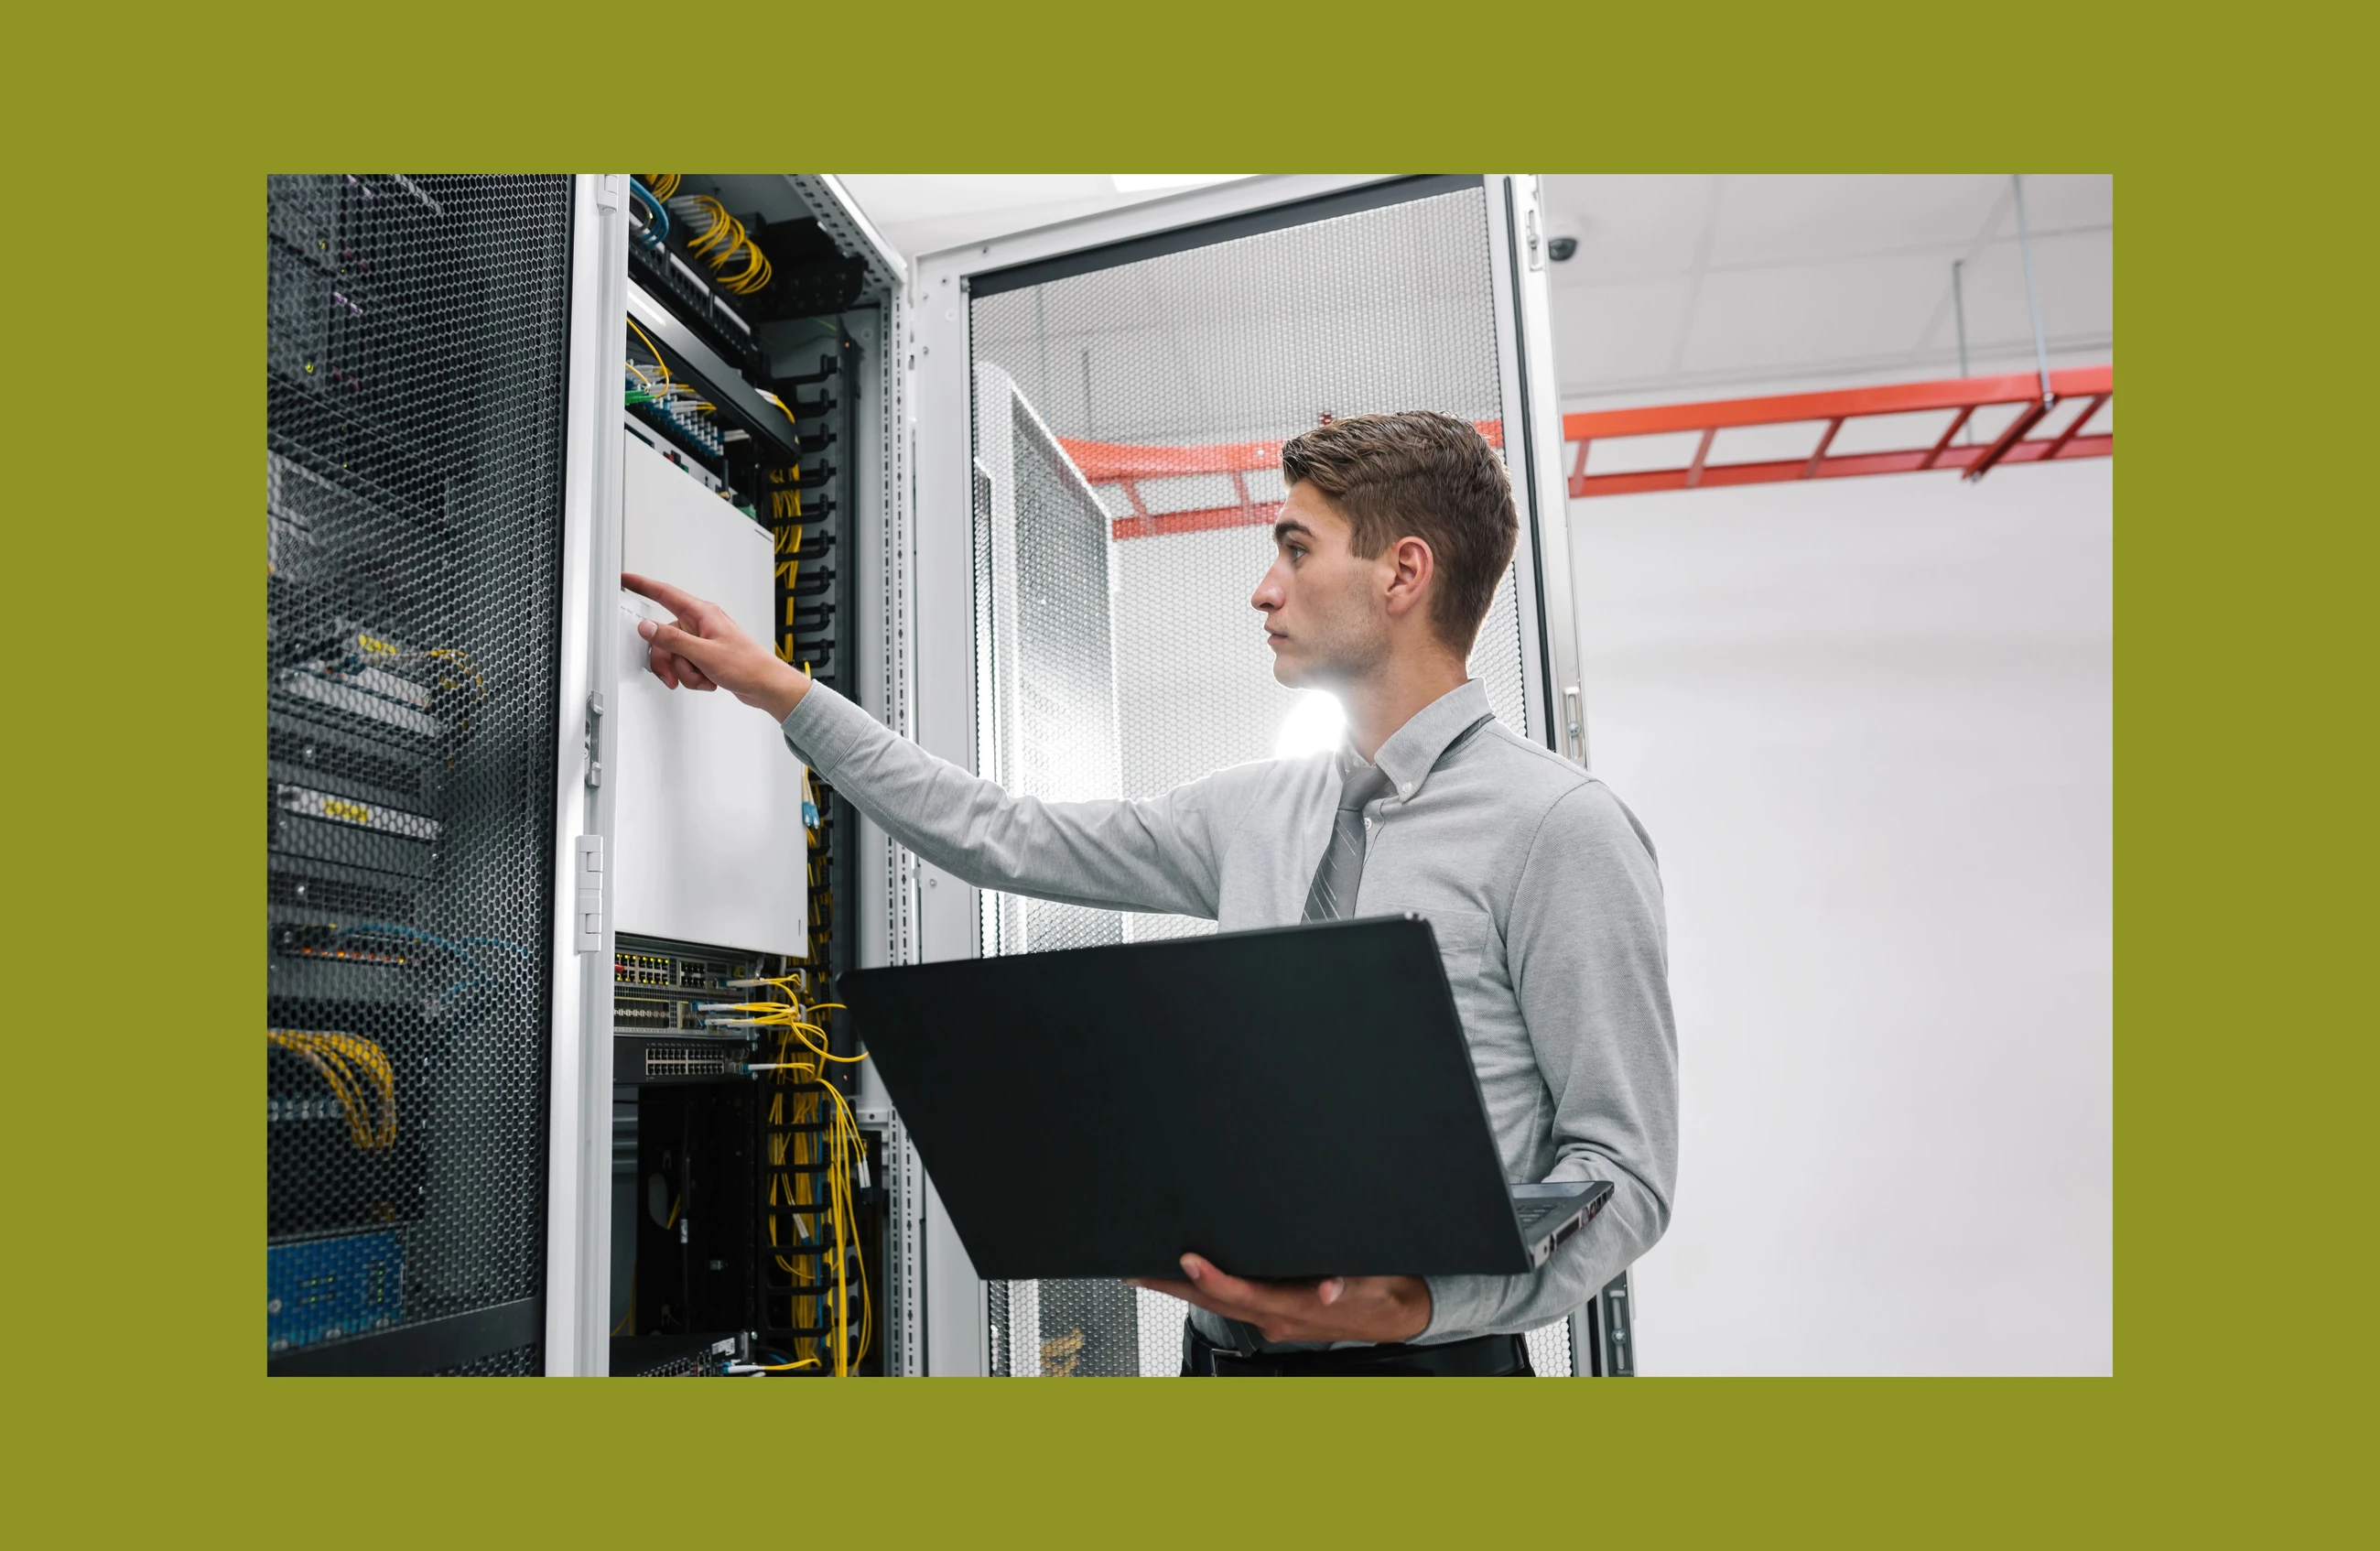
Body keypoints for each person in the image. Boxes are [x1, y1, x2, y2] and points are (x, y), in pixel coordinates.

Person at [623, 409, 1676, 1377]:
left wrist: (1415, 1302)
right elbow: (997, 832)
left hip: (1427, 1370)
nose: (1264, 588)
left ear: (1403, 573)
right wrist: (777, 688)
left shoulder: (1560, 829)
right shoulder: (1252, 811)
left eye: (1295, 549)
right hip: (1218, 1361)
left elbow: (1621, 1175)